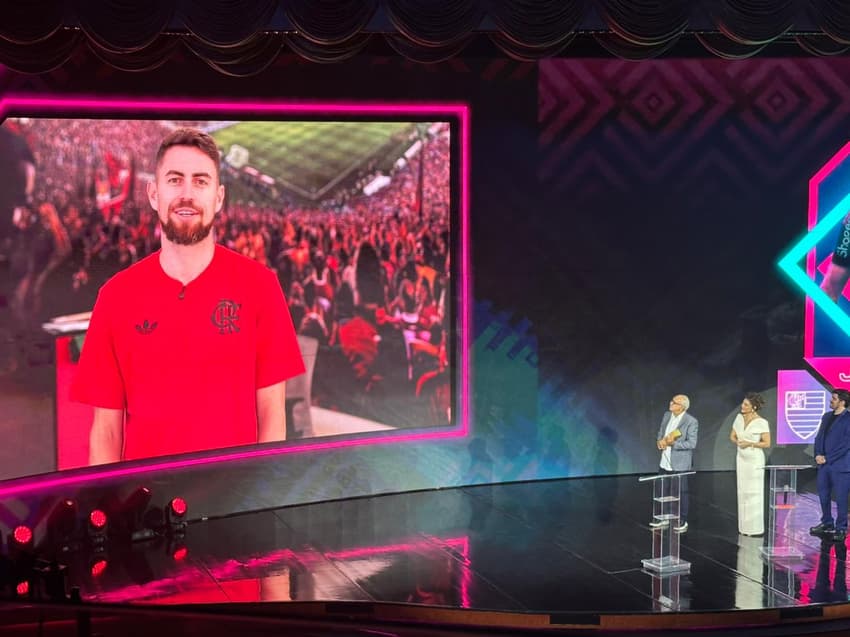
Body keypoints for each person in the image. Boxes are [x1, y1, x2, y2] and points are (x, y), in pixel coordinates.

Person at [71, 128, 304, 464]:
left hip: (234, 503)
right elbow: (106, 431)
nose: (187, 193)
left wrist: (261, 500)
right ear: (154, 193)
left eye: (200, 181)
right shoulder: (115, 297)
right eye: (175, 180)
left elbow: (271, 415)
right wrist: (109, 508)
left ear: (219, 197)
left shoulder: (260, 286)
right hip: (146, 507)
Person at [651, 394, 698, 533]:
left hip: (680, 462)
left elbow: (692, 443)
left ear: (682, 407)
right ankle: (663, 517)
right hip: (665, 460)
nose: (671, 403)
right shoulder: (667, 415)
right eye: (671, 400)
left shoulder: (691, 421)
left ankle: (682, 519)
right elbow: (661, 432)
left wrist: (674, 444)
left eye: (674, 402)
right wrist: (660, 441)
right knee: (662, 489)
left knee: (681, 491)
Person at [810, 388, 850, 541]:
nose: (830, 401)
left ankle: (841, 528)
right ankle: (827, 522)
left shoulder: (848, 419)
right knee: (824, 495)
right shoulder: (826, 416)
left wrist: (828, 458)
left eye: (833, 398)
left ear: (842, 401)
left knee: (841, 499)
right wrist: (818, 455)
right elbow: (819, 437)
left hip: (840, 466)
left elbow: (846, 444)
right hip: (823, 464)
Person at [729, 392, 771, 536]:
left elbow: (766, 443)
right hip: (741, 458)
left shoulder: (762, 422)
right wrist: (738, 442)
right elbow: (732, 436)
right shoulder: (739, 418)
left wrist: (750, 443)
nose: (742, 406)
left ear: (753, 407)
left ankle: (754, 528)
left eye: (746, 404)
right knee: (742, 491)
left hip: (754, 460)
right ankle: (743, 527)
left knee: (754, 492)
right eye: (743, 403)